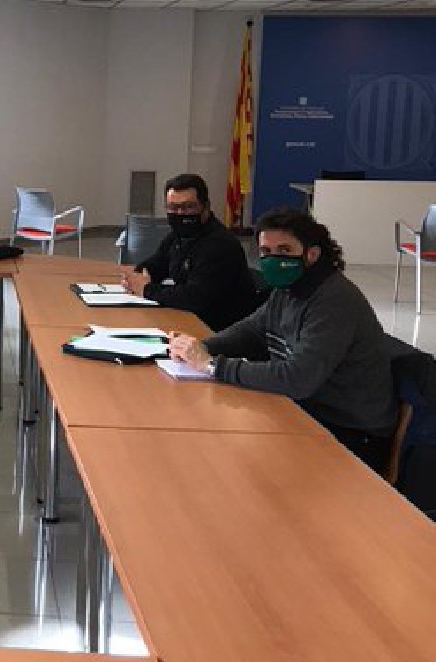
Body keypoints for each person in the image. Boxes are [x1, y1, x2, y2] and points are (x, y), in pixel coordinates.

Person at [168, 208, 397, 474]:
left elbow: (297, 379)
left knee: (236, 469)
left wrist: (213, 366)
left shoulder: (333, 301)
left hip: (350, 433)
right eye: (266, 251)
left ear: (312, 254)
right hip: (306, 411)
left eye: (285, 250)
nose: (274, 259)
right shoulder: (289, 288)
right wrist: (202, 347)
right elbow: (252, 330)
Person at [121, 173, 258, 331]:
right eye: (173, 208)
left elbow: (194, 297)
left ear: (206, 207)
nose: (180, 213)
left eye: (188, 207)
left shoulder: (220, 244)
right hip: (189, 320)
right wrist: (137, 277)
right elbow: (155, 265)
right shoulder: (178, 236)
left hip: (218, 331)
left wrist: (147, 289)